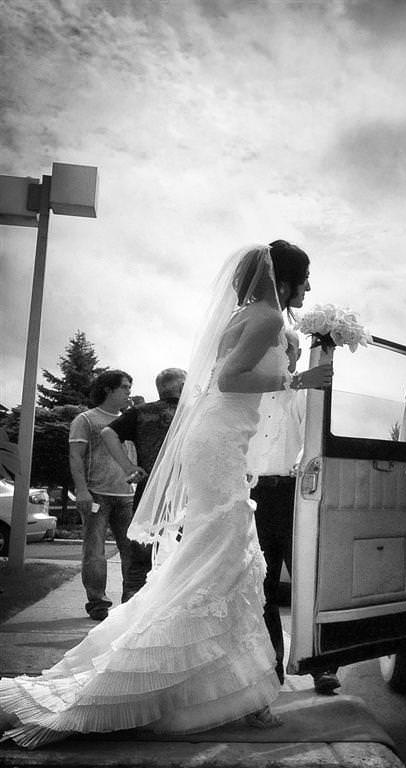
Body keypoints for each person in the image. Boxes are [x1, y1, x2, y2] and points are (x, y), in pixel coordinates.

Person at [0, 242, 332, 747]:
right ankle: (209, 687)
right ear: (283, 281)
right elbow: (230, 377)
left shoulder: (256, 314)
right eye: (305, 278)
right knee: (226, 558)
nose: (309, 287)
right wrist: (297, 377)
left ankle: (236, 691)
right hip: (219, 442)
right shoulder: (264, 317)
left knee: (225, 559)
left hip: (221, 440)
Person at [247, 310, 340, 695]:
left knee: (309, 579)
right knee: (262, 585)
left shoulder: (304, 391)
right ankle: (271, 667)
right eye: (287, 349)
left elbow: (315, 432)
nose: (292, 356)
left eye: (297, 350)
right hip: (252, 496)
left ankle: (322, 666)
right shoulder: (247, 392)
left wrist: (326, 346)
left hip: (294, 493)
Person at [99, 367, 187, 601]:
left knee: (141, 558)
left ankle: (131, 610)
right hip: (185, 494)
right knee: (181, 557)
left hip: (149, 492)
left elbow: (107, 433)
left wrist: (129, 467)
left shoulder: (140, 412)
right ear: (181, 387)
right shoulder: (192, 412)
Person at [68, 370, 136, 621]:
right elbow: (75, 456)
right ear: (109, 389)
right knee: (95, 551)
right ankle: (98, 604)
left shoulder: (129, 418)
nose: (129, 391)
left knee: (132, 551)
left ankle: (131, 602)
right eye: (125, 387)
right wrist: (82, 491)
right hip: (96, 494)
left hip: (127, 495)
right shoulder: (86, 420)